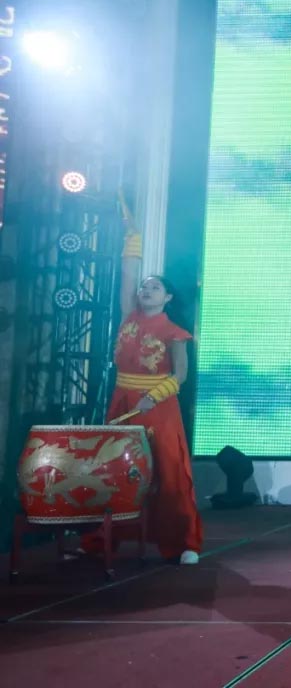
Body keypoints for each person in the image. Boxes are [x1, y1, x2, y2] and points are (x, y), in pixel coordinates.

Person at [81, 222, 203, 565]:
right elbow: (127, 279)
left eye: (155, 287)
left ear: (168, 297)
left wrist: (155, 395)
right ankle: (107, 536)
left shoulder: (175, 332)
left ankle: (184, 542)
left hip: (157, 406)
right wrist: (132, 239)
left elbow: (180, 374)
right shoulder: (128, 316)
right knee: (116, 469)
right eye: (145, 286)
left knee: (168, 472)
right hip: (123, 400)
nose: (146, 290)